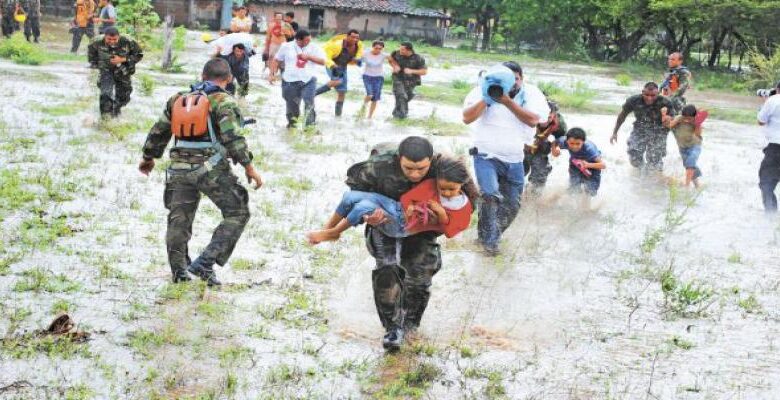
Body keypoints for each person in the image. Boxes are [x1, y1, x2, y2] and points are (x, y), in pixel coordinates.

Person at [139, 58, 263, 286]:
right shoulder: (224, 101)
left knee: (179, 221)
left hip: (178, 169)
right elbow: (233, 138)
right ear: (229, 79)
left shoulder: (177, 99)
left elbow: (158, 131)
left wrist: (148, 158)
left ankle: (179, 272)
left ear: (202, 75)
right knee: (237, 212)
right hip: (210, 169)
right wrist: (249, 167)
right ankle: (206, 262)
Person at [344, 136, 445, 350]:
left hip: (421, 222)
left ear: (431, 161)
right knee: (387, 268)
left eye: (421, 169)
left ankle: (410, 325)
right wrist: (367, 215)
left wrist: (441, 216)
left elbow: (467, 199)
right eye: (408, 168)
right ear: (399, 159)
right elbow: (354, 193)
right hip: (385, 219)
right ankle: (392, 328)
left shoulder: (444, 167)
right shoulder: (377, 167)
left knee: (420, 273)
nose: (415, 174)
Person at [462, 62, 550, 256]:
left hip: (515, 158)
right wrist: (488, 98)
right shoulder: (482, 90)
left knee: (512, 205)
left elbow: (534, 120)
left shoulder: (531, 93)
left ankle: (488, 236)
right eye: (503, 80)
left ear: (521, 79)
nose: (509, 84)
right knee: (490, 195)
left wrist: (507, 101)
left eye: (514, 79)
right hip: (485, 154)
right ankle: (490, 244)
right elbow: (467, 118)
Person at [307, 155, 476, 244]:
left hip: (404, 225)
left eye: (451, 189)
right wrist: (410, 206)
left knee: (363, 206)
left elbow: (450, 232)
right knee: (350, 196)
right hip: (397, 207)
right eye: (442, 188)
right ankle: (328, 230)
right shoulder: (432, 183)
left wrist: (441, 214)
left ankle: (334, 233)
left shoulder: (462, 207)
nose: (445, 193)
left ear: (462, 185)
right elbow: (408, 197)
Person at [611, 82, 675, 173]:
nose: (649, 98)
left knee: (654, 161)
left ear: (658, 93)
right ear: (642, 92)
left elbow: (673, 120)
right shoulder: (633, 100)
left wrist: (667, 119)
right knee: (634, 155)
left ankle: (654, 179)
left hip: (659, 131)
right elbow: (622, 116)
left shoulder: (665, 102)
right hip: (640, 128)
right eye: (647, 95)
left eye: (653, 95)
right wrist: (615, 132)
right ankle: (643, 173)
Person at [270, 29, 326, 128]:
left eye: (309, 40)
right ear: (298, 40)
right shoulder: (286, 46)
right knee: (292, 107)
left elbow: (323, 61)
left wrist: (308, 57)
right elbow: (277, 60)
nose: (309, 42)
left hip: (309, 80)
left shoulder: (314, 47)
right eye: (306, 40)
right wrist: (272, 74)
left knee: (309, 102)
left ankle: (309, 127)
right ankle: (292, 126)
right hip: (290, 81)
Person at [87, 27, 143, 118]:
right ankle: (106, 119)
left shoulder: (128, 41)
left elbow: (139, 55)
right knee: (105, 94)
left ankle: (116, 111)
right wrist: (103, 65)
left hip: (124, 71)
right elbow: (92, 59)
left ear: (119, 37)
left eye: (115, 39)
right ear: (104, 37)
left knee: (124, 96)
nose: (112, 41)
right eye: (109, 39)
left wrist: (122, 59)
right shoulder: (95, 42)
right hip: (106, 71)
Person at [551, 128, 606, 207]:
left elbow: (603, 165)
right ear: (567, 141)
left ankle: (585, 209)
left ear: (583, 142)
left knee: (590, 191)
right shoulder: (564, 142)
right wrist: (554, 150)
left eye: (578, 144)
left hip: (593, 166)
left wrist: (587, 165)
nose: (574, 146)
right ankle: (554, 198)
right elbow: (554, 141)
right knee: (574, 188)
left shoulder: (589, 149)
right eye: (572, 143)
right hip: (575, 164)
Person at [314, 30, 363, 117]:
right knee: (338, 81)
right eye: (352, 37)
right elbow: (326, 57)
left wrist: (358, 59)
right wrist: (333, 66)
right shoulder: (336, 45)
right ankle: (313, 93)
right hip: (332, 64)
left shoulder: (359, 44)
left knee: (342, 91)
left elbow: (359, 53)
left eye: (357, 38)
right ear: (347, 36)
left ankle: (338, 115)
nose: (355, 39)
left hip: (343, 66)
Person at [523, 100, 567, 195]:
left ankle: (532, 199)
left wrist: (556, 147)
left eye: (549, 117)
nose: (545, 120)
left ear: (554, 115)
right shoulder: (528, 115)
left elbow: (561, 137)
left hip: (540, 147)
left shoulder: (559, 123)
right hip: (521, 147)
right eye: (543, 116)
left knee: (540, 174)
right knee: (514, 173)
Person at [666, 104, 705, 188]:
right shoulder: (679, 118)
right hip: (682, 147)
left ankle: (686, 186)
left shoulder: (697, 122)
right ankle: (697, 185)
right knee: (689, 165)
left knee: (690, 162)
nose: (687, 120)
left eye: (689, 118)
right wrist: (676, 120)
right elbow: (669, 125)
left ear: (694, 116)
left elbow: (698, 134)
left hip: (694, 146)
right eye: (685, 118)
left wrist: (697, 124)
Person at [757, 82, 780, 212]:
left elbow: (761, 121)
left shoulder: (774, 100)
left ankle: (771, 218)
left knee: (766, 183)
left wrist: (766, 103)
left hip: (776, 148)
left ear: (777, 89)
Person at [389, 42, 427, 119]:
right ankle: (402, 116)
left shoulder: (418, 58)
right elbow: (390, 59)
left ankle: (396, 112)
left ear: (409, 50)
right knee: (402, 95)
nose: (400, 51)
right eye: (400, 48)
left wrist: (412, 71)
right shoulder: (396, 53)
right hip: (398, 78)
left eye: (402, 49)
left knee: (407, 97)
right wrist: (395, 66)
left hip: (411, 81)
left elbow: (424, 71)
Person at [360, 40, 388, 120]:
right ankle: (363, 106)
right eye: (376, 48)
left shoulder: (383, 55)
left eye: (380, 49)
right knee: (369, 94)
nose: (378, 50)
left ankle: (369, 117)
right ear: (373, 47)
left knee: (375, 98)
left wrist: (395, 67)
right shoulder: (365, 53)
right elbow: (357, 59)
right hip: (367, 76)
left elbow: (392, 60)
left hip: (379, 77)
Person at [262, 12, 291, 78]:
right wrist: (266, 48)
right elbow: (268, 37)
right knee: (272, 59)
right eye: (277, 18)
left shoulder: (286, 25)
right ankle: (272, 74)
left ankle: (282, 74)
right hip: (273, 44)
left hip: (283, 45)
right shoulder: (271, 25)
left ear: (282, 18)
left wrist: (283, 32)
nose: (279, 20)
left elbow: (289, 35)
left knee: (283, 60)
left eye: (280, 18)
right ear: (274, 18)